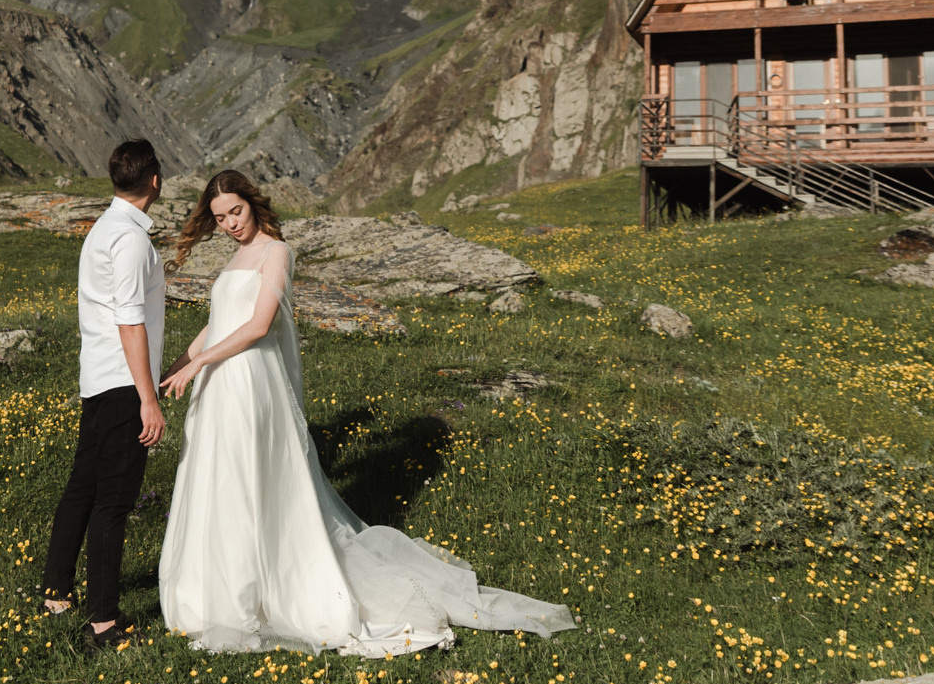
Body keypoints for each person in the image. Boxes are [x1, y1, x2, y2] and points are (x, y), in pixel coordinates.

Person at [157, 169, 575, 655]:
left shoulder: (276, 252)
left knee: (254, 477)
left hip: (251, 382)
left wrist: (200, 364)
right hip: (218, 383)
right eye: (220, 217)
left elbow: (257, 326)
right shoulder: (236, 257)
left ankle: (266, 588)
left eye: (236, 211)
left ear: (252, 204)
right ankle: (219, 590)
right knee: (220, 479)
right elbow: (219, 323)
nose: (230, 223)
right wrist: (178, 367)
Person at [41, 139, 168, 651]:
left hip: (97, 378)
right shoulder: (131, 239)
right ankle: (103, 625)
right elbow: (129, 321)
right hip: (122, 383)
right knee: (114, 501)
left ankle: (56, 592)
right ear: (155, 180)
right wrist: (148, 398)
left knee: (83, 488)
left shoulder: (104, 227)